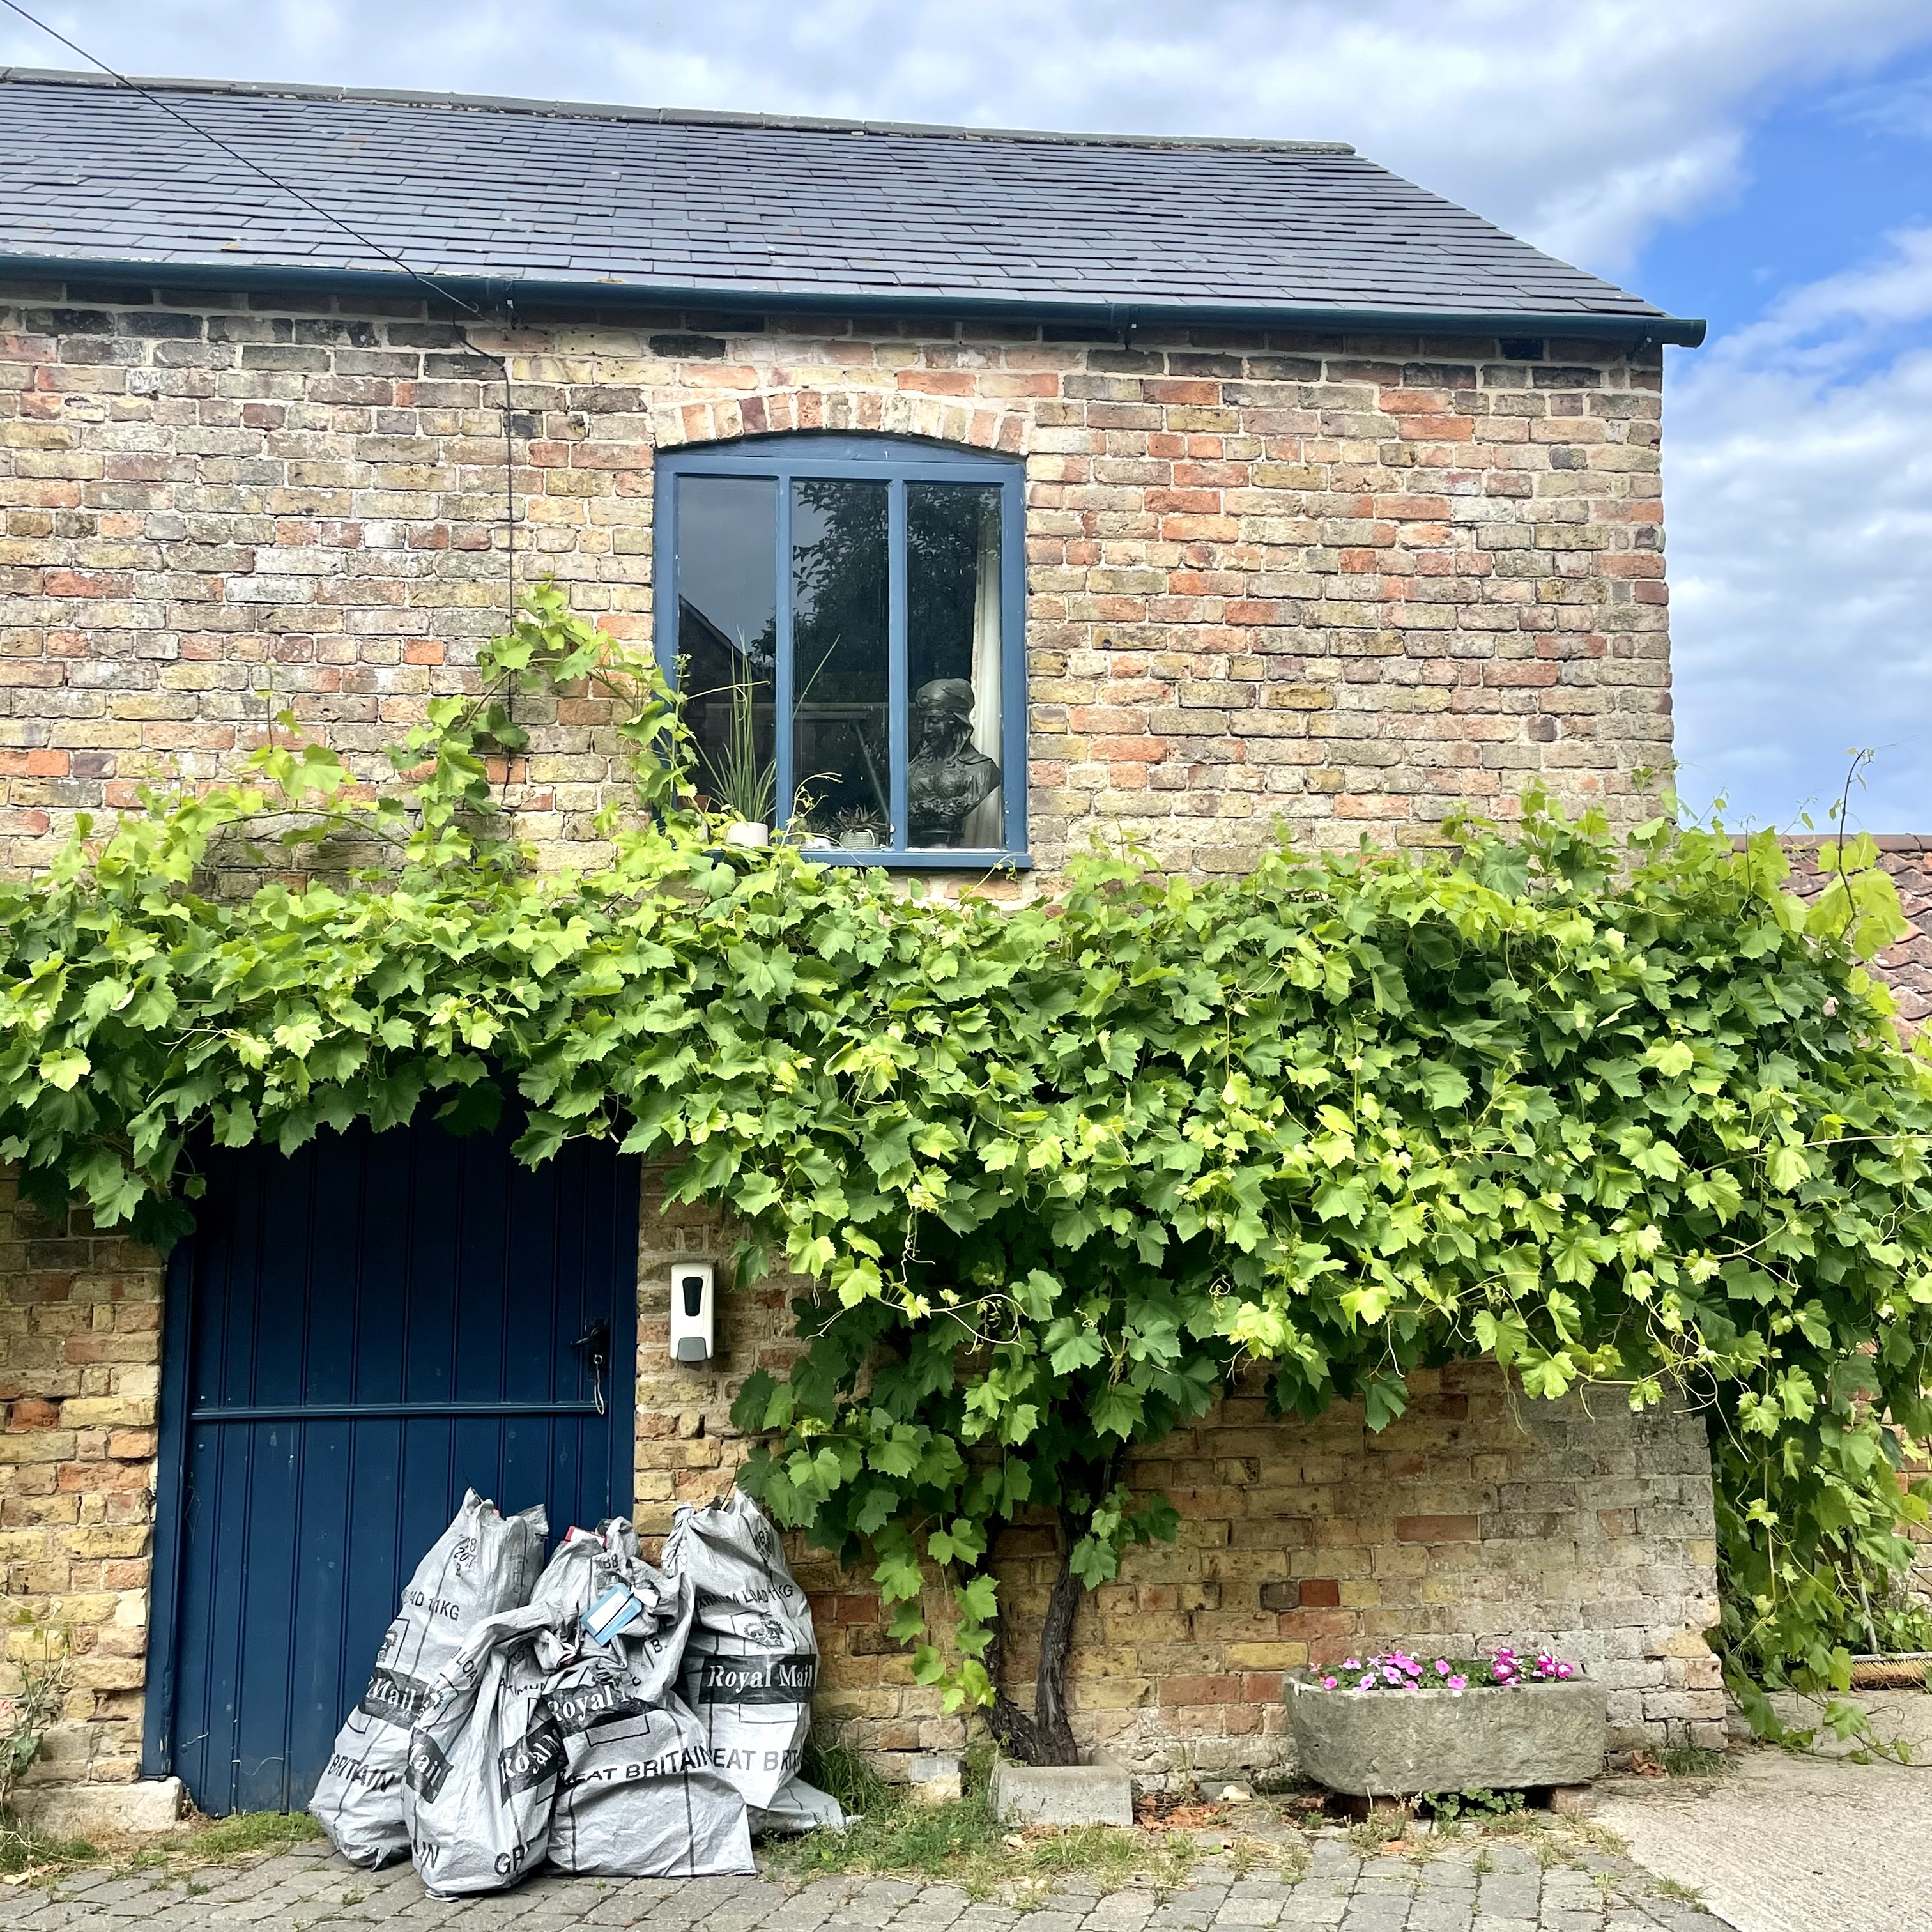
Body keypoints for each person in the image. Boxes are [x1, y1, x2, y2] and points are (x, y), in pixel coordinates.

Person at [907, 678, 1000, 847]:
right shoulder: (914, 768)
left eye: (935, 721)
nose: (926, 730)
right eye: (922, 722)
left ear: (956, 723)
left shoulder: (983, 770)